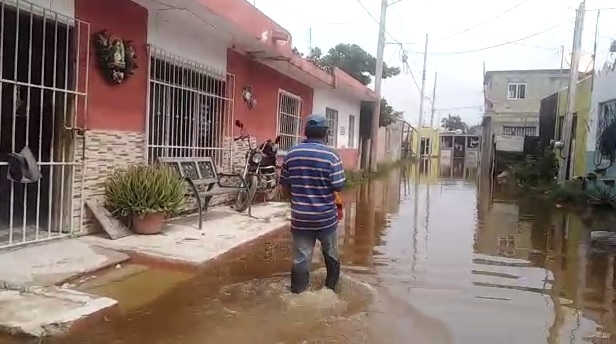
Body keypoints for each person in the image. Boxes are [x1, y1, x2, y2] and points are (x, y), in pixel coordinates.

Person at [279, 113, 346, 294]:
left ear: (306, 132)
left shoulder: (292, 153)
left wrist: (296, 202)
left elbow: (284, 185)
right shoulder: (332, 156)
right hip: (326, 218)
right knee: (331, 253)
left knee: (301, 258)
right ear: (325, 133)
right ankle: (331, 291)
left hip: (301, 218)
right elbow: (338, 185)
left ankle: (299, 293)